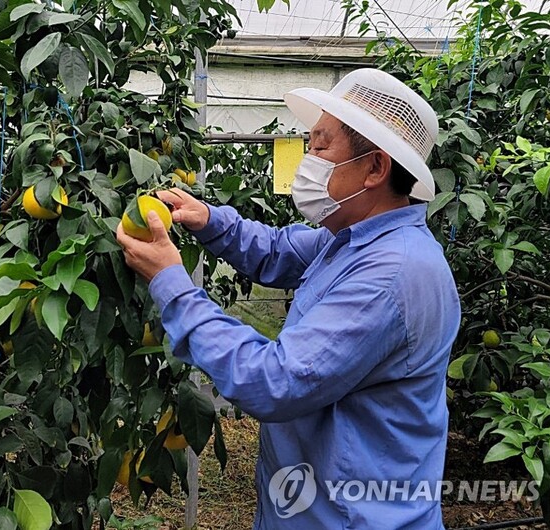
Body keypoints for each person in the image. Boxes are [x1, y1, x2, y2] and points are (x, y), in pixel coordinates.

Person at [115, 68, 461, 528]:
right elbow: (278, 250)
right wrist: (209, 219)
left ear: (375, 168)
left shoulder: (391, 274)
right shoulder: (353, 239)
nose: (308, 157)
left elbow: (273, 381)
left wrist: (170, 280)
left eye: (320, 146)